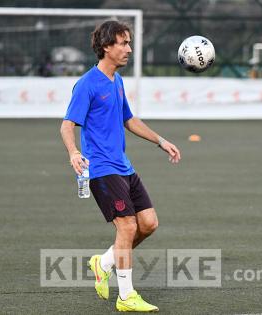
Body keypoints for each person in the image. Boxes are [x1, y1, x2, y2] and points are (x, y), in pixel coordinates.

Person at [60, 20, 181, 312]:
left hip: (123, 166)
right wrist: (74, 152)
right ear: (106, 47)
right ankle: (126, 296)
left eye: (128, 43)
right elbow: (66, 125)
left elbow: (129, 120)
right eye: (123, 43)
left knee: (149, 224)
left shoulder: (118, 81)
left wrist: (160, 140)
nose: (128, 49)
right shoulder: (88, 83)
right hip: (101, 169)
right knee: (127, 227)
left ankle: (102, 263)